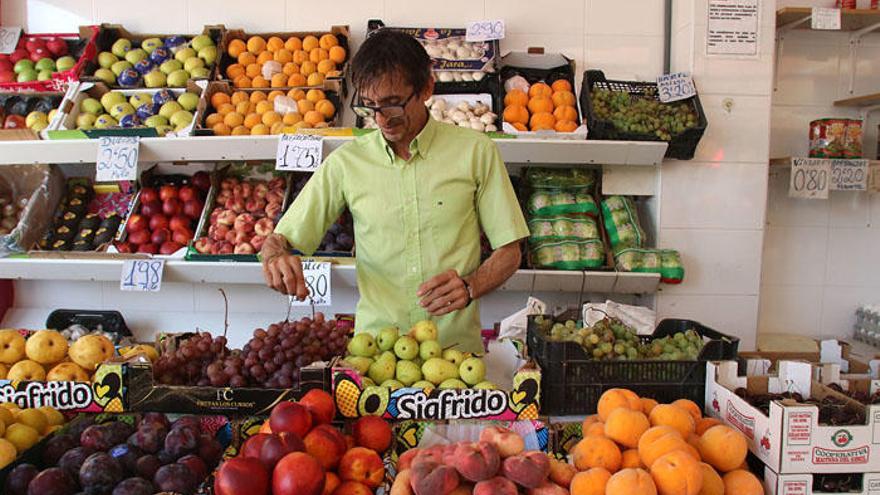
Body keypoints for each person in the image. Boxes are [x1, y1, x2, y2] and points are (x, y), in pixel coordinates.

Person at [261, 29, 528, 354]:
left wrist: (472, 286)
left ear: (427, 87)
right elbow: (281, 239)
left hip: (454, 353)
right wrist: (276, 257)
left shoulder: (476, 152)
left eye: (392, 105)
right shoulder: (347, 163)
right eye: (370, 106)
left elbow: (510, 251)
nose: (381, 119)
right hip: (375, 353)